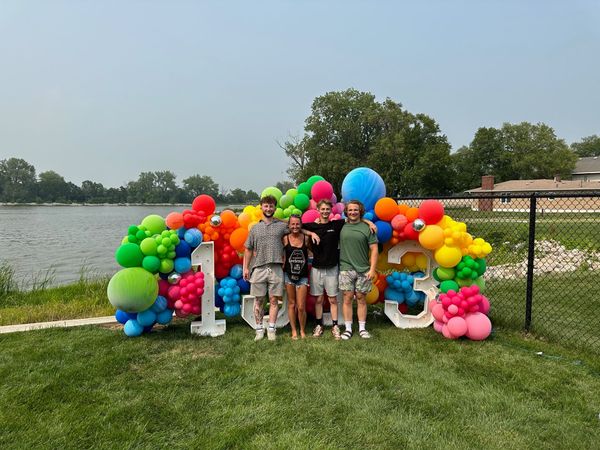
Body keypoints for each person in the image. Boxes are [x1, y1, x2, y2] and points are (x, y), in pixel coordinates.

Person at [243, 195, 318, 341]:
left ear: (275, 208)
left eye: (271, 206)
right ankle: (259, 329)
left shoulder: (281, 226)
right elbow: (248, 249)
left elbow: (297, 228)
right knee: (258, 301)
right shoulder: (255, 228)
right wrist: (246, 268)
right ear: (261, 207)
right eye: (266, 206)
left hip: (277, 268)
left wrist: (311, 233)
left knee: (273, 300)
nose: (268, 209)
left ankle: (271, 329)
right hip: (258, 268)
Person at [302, 199, 376, 340]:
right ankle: (320, 325)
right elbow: (297, 227)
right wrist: (310, 233)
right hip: (319, 268)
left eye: (327, 209)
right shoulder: (313, 226)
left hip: (333, 268)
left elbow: (356, 219)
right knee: (320, 299)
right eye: (322, 209)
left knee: (335, 299)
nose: (325, 211)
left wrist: (369, 222)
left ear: (331, 211)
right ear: (318, 210)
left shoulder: (337, 224)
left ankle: (338, 326)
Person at [338, 200, 378, 340]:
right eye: (350, 210)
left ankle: (362, 328)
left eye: (355, 210)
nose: (353, 212)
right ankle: (348, 329)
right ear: (346, 212)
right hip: (345, 268)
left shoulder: (368, 228)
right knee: (347, 298)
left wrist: (372, 269)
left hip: (364, 269)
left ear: (360, 211)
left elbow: (374, 249)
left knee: (361, 298)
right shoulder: (341, 226)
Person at [282, 215, 310, 340]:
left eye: (297, 224)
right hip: (288, 275)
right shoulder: (285, 239)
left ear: (301, 225)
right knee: (291, 304)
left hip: (303, 276)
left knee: (301, 306)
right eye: (292, 224)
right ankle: (294, 330)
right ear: (288, 225)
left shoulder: (306, 238)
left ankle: (302, 330)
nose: (295, 227)